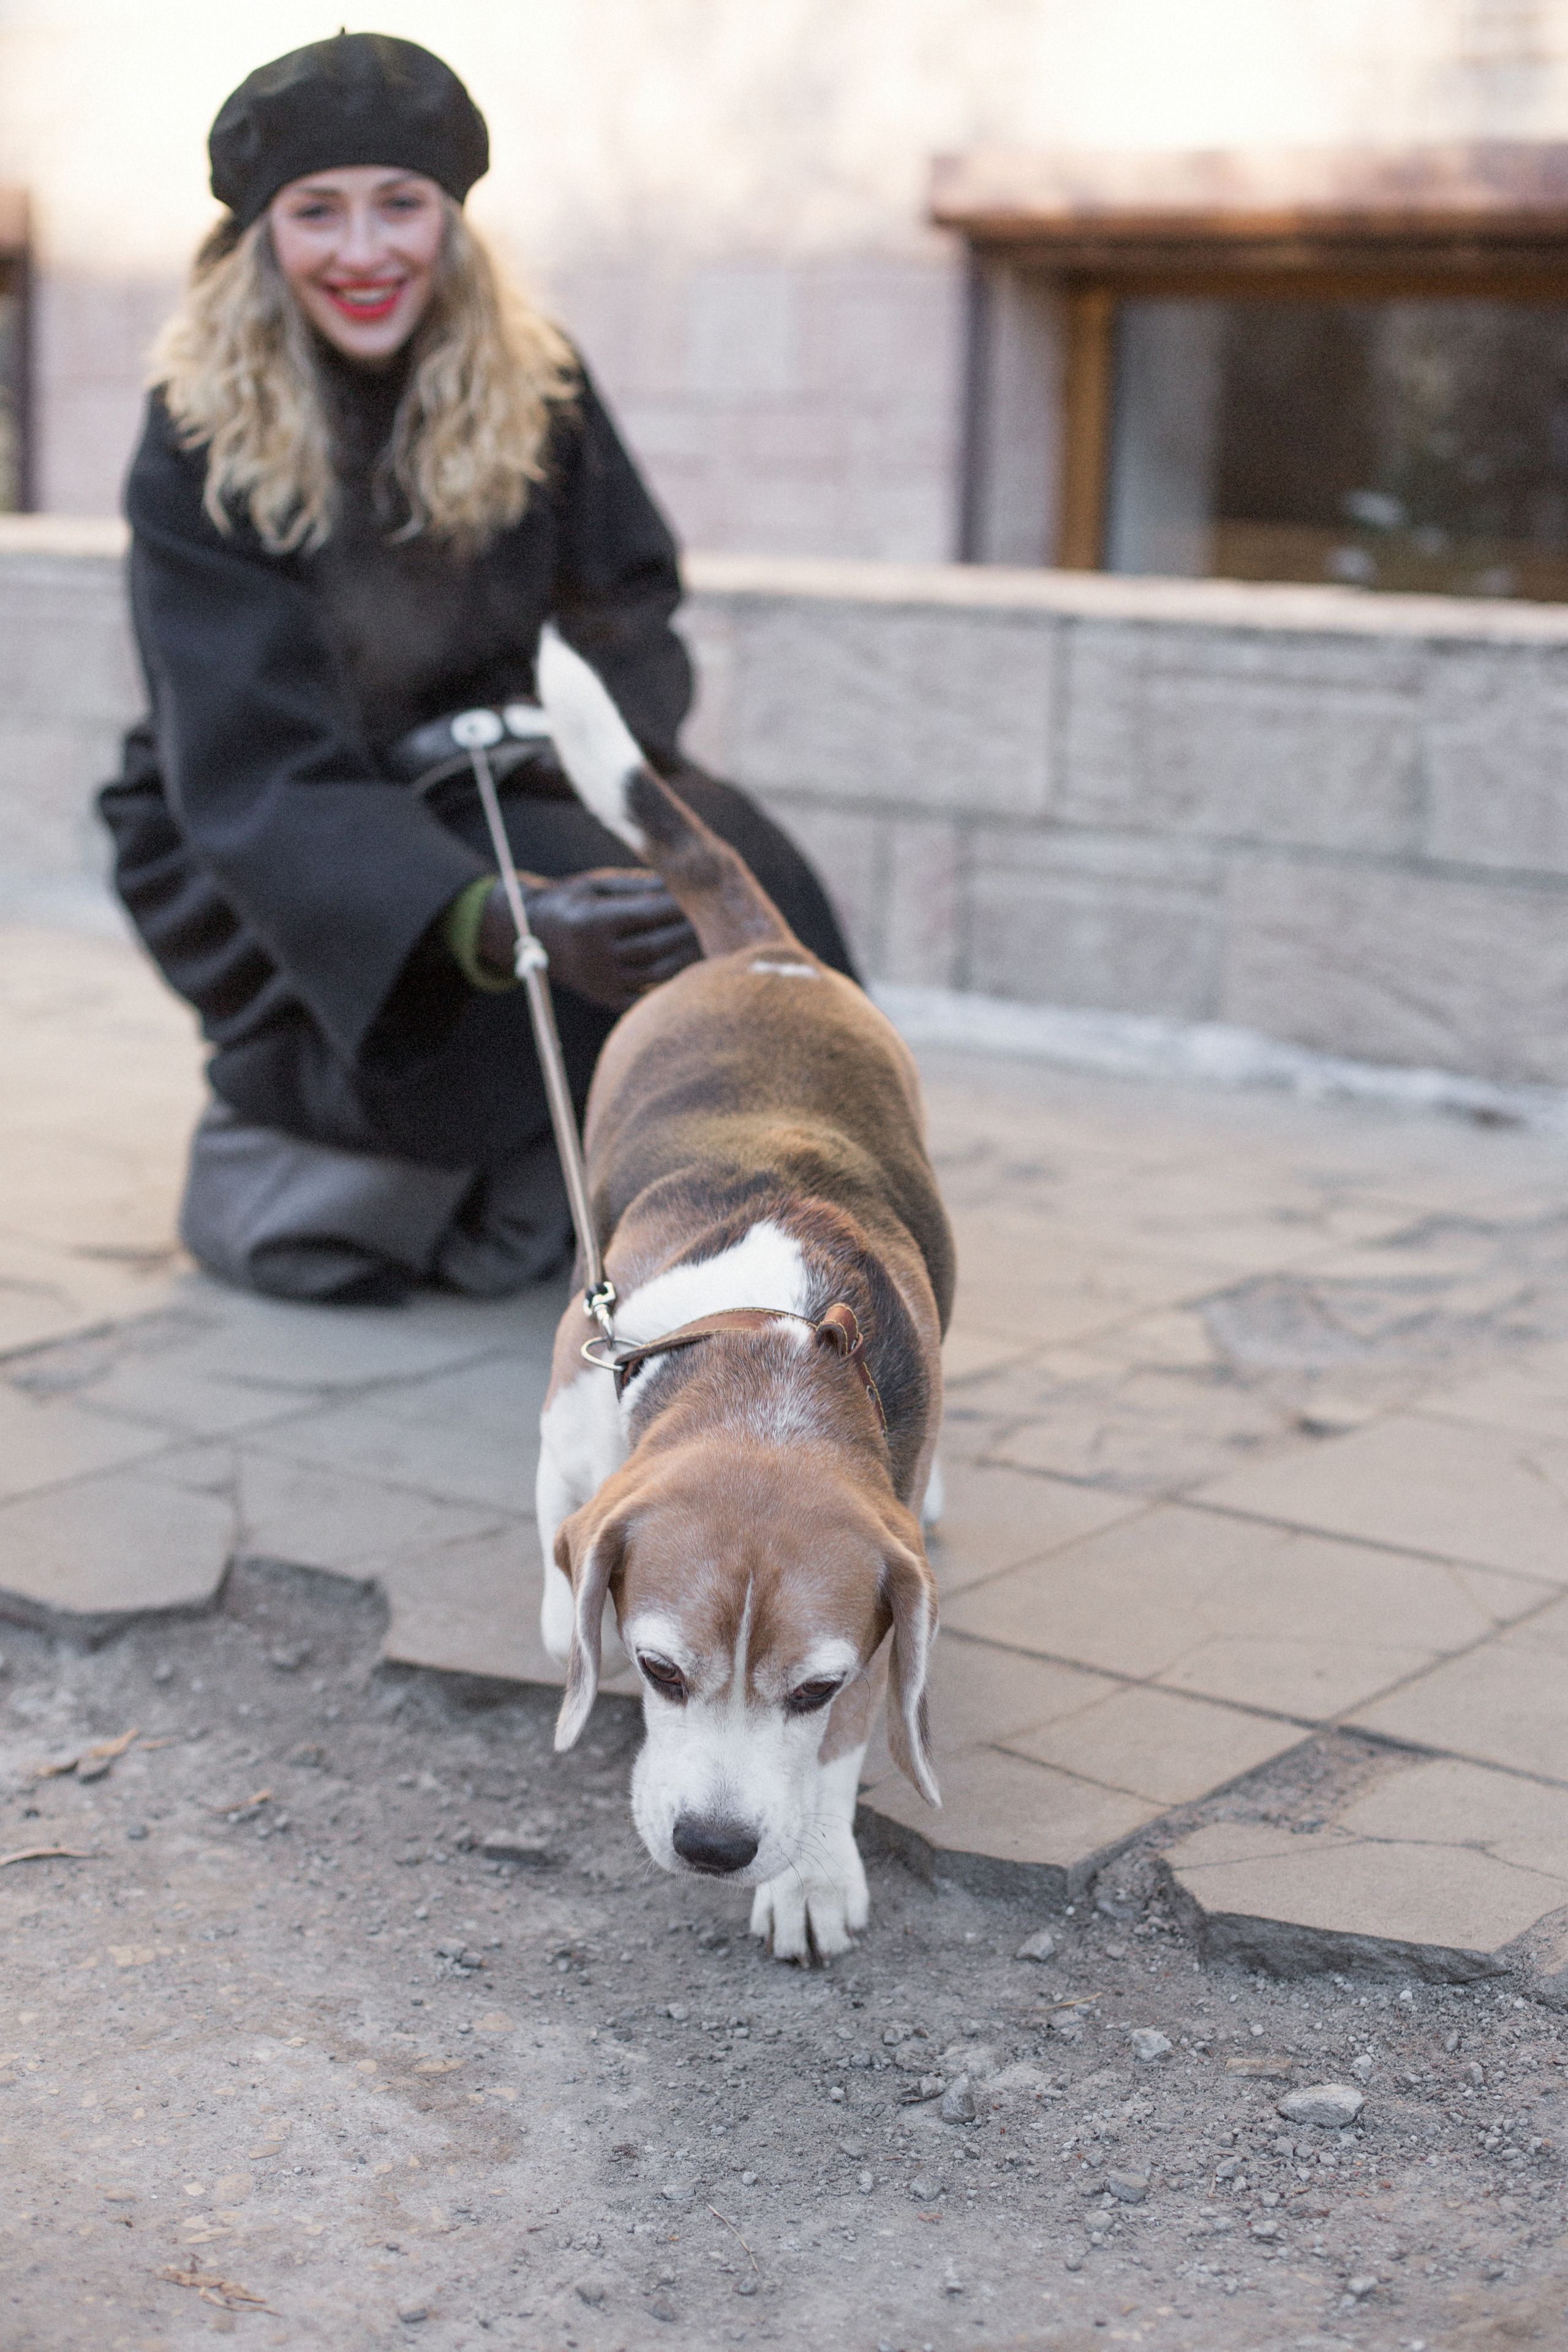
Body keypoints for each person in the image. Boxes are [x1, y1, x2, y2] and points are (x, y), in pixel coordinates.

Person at [99, 31, 856, 1307]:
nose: (363, 250)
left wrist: (582, 759)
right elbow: (250, 748)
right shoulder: (194, 433)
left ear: (452, 221)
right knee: (554, 912)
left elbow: (626, 605)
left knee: (745, 875)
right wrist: (502, 920)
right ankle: (524, 1190)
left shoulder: (538, 380)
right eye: (317, 211)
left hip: (517, 760)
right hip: (289, 816)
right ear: (260, 234)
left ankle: (785, 1231)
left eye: (400, 204)